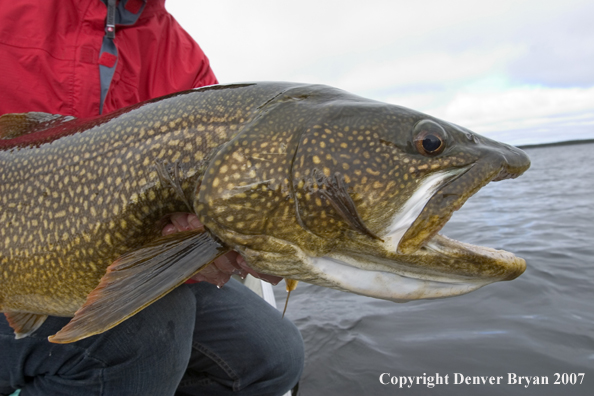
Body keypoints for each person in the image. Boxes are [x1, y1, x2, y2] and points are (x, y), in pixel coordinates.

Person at [0, 1, 304, 395]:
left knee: (273, 355)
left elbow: (194, 205)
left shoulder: (184, 58)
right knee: (140, 332)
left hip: (108, 266)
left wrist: (208, 247)